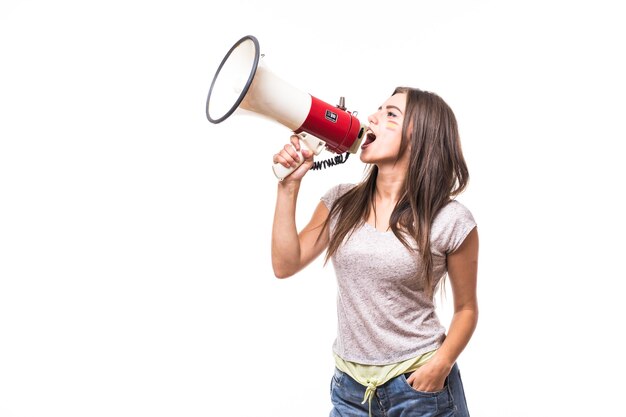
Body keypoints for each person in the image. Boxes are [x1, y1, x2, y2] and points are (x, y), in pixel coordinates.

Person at [271, 87, 479, 417]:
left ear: (421, 136)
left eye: (390, 114)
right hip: (350, 392)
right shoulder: (340, 202)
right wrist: (288, 186)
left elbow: (466, 309)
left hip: (419, 388)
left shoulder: (450, 219)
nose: (372, 117)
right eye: (378, 110)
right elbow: (285, 264)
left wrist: (440, 365)